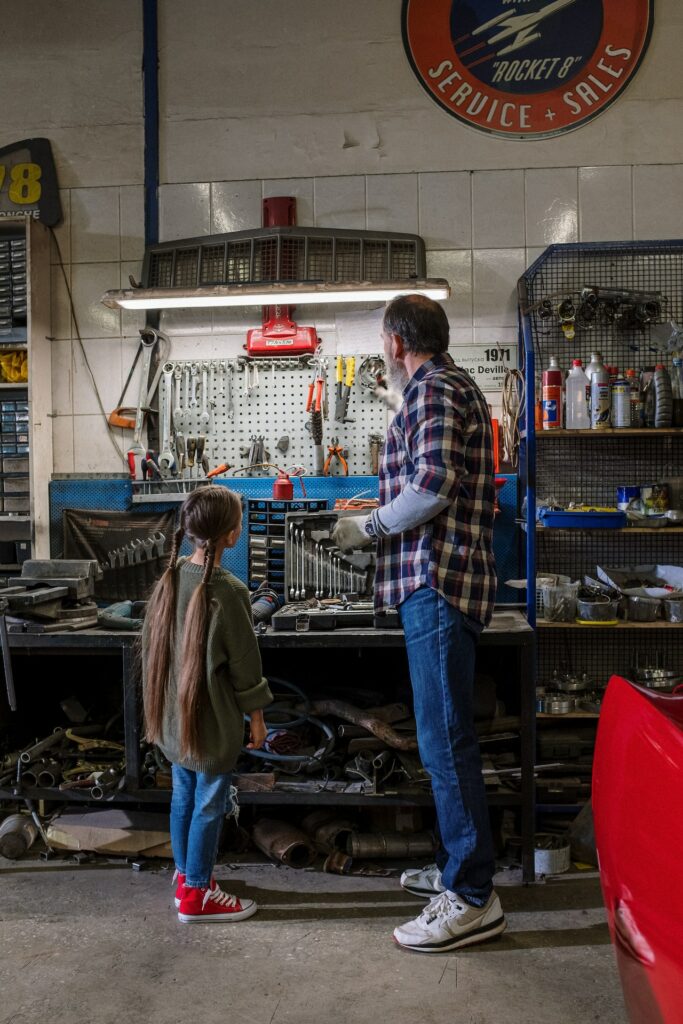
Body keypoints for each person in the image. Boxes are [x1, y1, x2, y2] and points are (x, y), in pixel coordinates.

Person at [331, 294, 505, 953]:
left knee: (443, 741)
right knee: (441, 738)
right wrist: (372, 502)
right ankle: (456, 871)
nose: (382, 352)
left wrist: (369, 526)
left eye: (382, 342)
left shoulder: (433, 390)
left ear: (398, 343)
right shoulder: (444, 388)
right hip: (435, 583)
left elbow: (432, 489)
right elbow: (427, 481)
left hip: (435, 583)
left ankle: (470, 896)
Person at [142, 484, 272, 924]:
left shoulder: (172, 575)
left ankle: (185, 879)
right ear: (230, 534)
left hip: (175, 722)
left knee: (183, 797)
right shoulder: (230, 590)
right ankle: (198, 894)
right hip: (213, 722)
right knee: (210, 802)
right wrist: (256, 718)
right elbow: (245, 667)